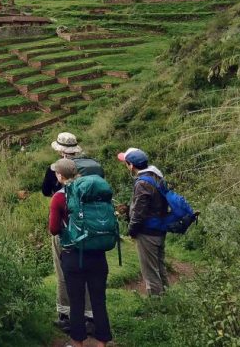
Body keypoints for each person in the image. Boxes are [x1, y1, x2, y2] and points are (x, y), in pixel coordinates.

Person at [48, 158, 113, 347]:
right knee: (99, 300)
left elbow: (53, 229)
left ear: (60, 176)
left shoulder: (59, 197)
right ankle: (102, 343)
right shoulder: (93, 191)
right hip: (98, 255)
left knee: (76, 303)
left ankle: (78, 344)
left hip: (73, 255)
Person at [43, 132, 103, 331]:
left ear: (60, 150)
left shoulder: (55, 170)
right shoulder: (90, 168)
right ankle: (92, 317)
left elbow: (45, 191)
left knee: (63, 273)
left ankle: (66, 315)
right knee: (88, 274)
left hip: (66, 233)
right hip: (91, 231)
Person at [118, 147, 169, 296]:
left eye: (126, 163)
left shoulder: (142, 183)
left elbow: (139, 212)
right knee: (159, 266)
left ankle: (156, 303)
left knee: (150, 270)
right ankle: (168, 297)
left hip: (147, 232)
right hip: (160, 228)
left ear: (131, 165)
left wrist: (131, 230)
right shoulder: (157, 177)